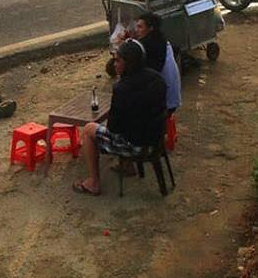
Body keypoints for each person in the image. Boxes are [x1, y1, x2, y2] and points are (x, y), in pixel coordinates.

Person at [73, 38, 166, 196]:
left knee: (89, 129)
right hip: (156, 140)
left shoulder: (122, 88)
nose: (114, 64)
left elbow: (113, 129)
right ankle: (128, 166)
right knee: (133, 124)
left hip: (136, 147)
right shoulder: (157, 78)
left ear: (128, 63)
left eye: (117, 60)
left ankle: (93, 182)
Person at [135, 11, 181, 114]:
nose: (136, 30)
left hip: (164, 100)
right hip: (170, 95)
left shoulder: (148, 45)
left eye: (140, 27)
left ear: (150, 29)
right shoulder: (160, 39)